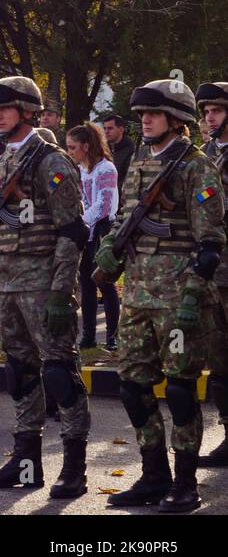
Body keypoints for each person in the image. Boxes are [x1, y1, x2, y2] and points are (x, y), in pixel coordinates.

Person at [95, 80, 224, 512]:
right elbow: (127, 218)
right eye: (141, 114)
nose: (144, 120)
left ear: (177, 119)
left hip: (179, 299)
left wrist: (191, 297)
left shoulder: (196, 167)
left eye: (153, 113)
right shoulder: (141, 164)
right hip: (137, 296)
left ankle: (186, 484)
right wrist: (110, 246)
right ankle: (153, 476)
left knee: (183, 391)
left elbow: (209, 246)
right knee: (132, 386)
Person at [0, 76, 91, 499]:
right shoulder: (2, 160)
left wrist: (61, 291)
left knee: (60, 374)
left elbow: (72, 231)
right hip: (12, 283)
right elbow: (7, 220)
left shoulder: (53, 161)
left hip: (44, 285)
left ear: (28, 111)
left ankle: (74, 467)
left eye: (5, 108)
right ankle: (25, 464)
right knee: (20, 373)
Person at [194, 82, 228, 468]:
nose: (209, 118)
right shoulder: (206, 157)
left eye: (216, 110)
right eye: (205, 112)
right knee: (220, 360)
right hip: (214, 273)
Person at [66, 124, 119, 350]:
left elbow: (104, 204)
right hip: (85, 231)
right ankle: (87, 335)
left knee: (105, 284)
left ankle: (111, 336)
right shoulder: (80, 170)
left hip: (102, 231)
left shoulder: (106, 169)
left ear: (86, 146)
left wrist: (82, 220)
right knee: (86, 285)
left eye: (73, 147)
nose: (69, 152)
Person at [101, 113, 136, 185]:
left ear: (121, 130)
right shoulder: (102, 149)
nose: (106, 132)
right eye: (104, 128)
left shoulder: (131, 150)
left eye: (110, 128)